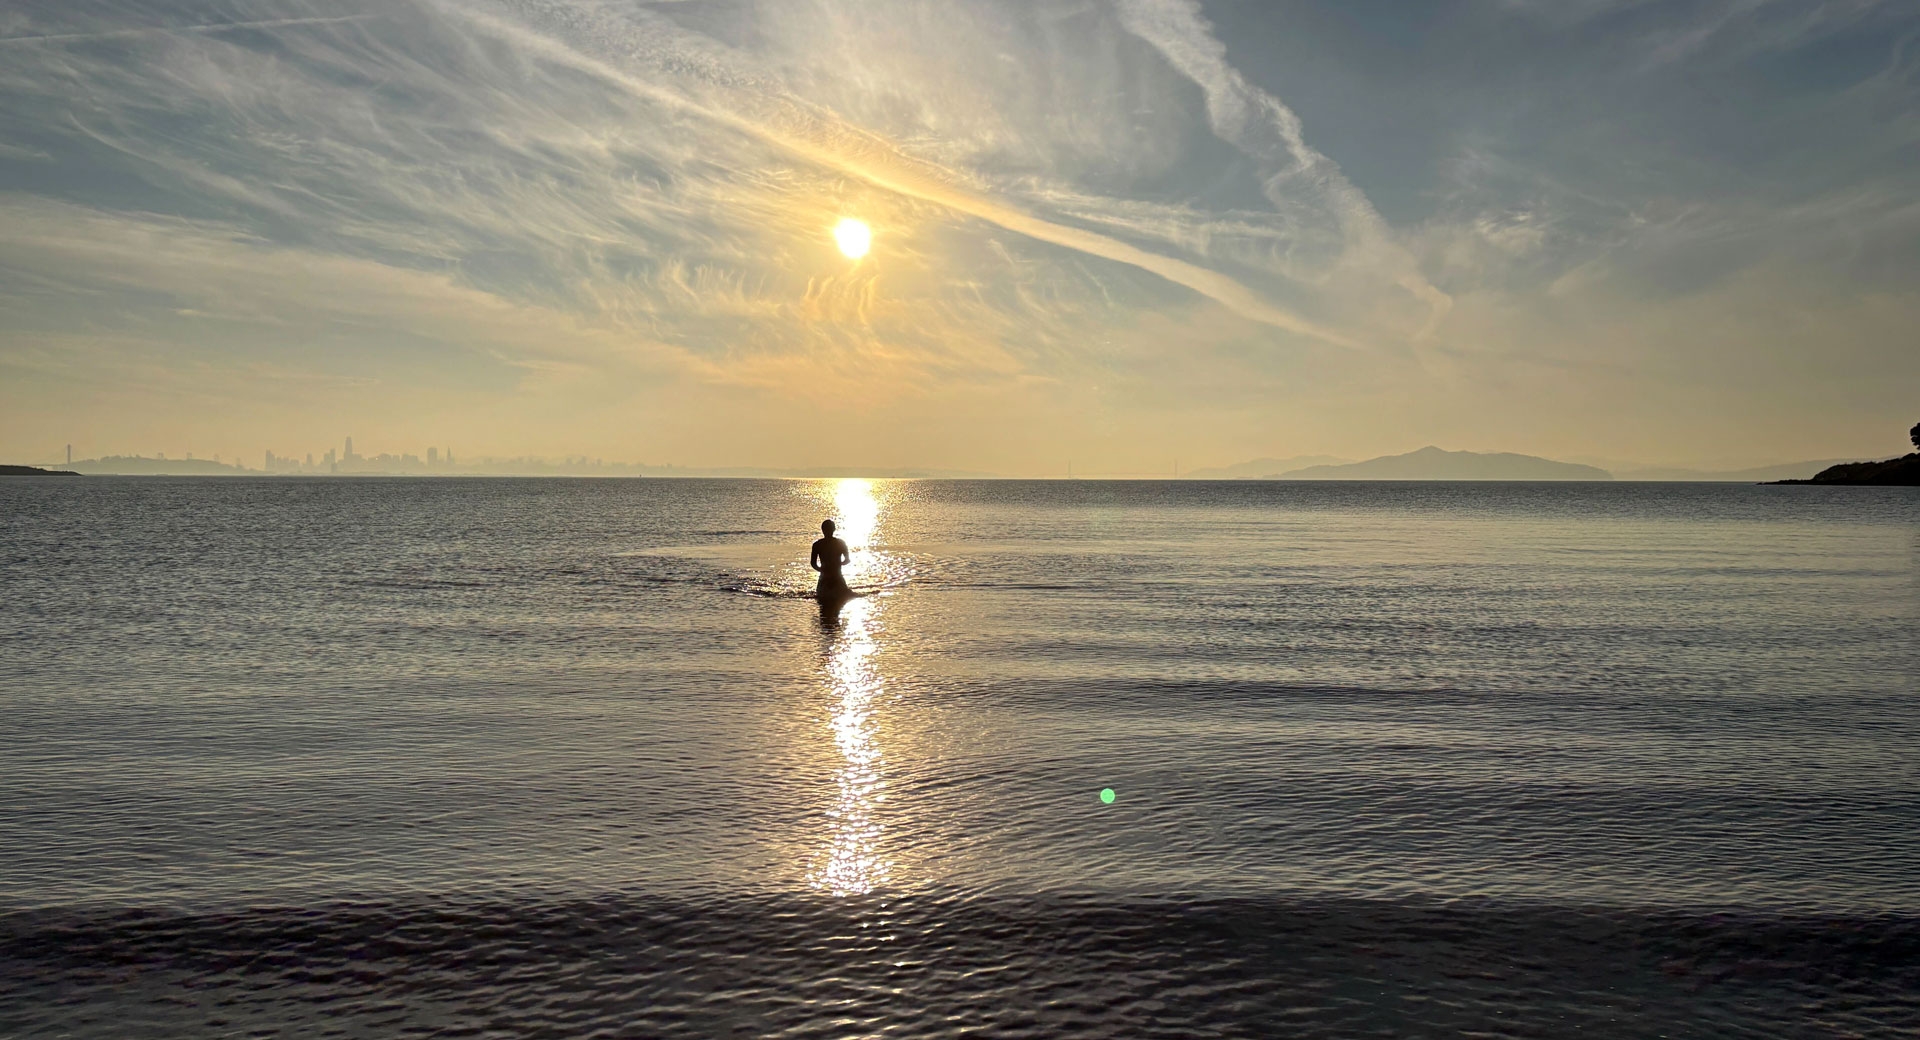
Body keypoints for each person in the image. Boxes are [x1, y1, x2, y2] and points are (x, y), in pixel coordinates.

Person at [810, 519, 853, 601]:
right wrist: (838, 564)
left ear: (822, 530)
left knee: (822, 601)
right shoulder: (841, 543)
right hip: (837, 576)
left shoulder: (817, 544)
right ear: (834, 529)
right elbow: (847, 560)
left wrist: (821, 569)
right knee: (842, 600)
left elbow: (813, 564)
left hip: (824, 577)